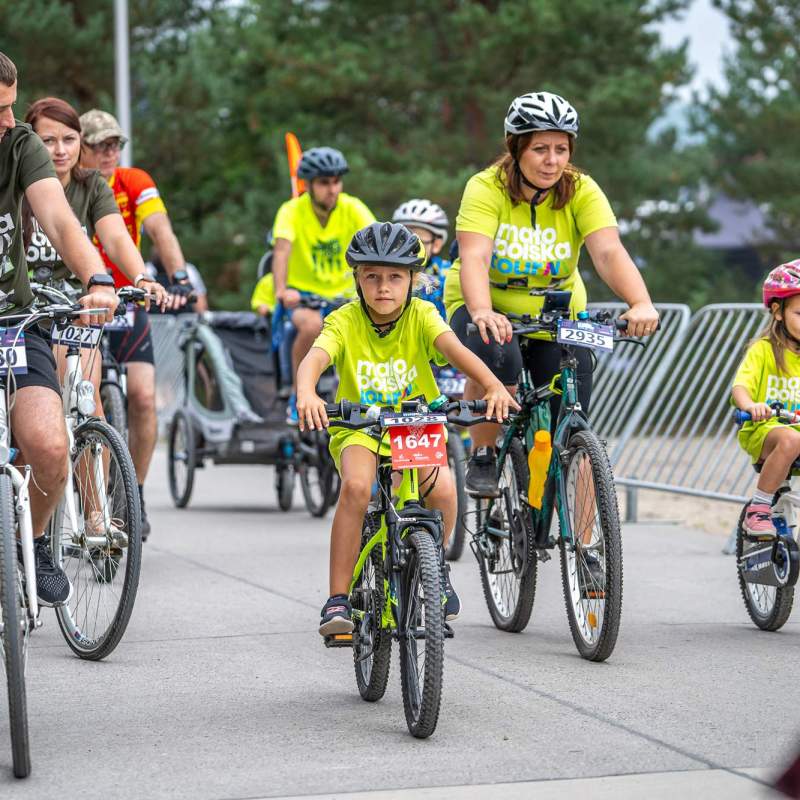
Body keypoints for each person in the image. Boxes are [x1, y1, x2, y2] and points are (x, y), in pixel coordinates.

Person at [295, 222, 519, 636]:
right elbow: (316, 357)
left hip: (414, 423)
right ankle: (337, 600)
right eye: (372, 277)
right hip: (361, 425)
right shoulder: (344, 319)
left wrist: (491, 385)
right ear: (357, 279)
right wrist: (307, 392)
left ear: (414, 280)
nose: (384, 287)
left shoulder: (423, 314)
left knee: (445, 491)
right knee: (359, 488)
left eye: (395, 277)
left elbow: (456, 351)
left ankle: (434, 573)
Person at [444, 91, 660, 497]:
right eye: (540, 149)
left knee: (575, 421)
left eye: (561, 149)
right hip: (486, 303)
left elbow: (609, 252)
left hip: (557, 312)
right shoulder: (486, 187)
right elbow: (474, 256)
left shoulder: (581, 189)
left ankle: (588, 551)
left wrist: (640, 302)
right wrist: (482, 310)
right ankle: (485, 452)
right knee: (497, 355)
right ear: (516, 148)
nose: (552, 160)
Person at [0, 51, 117, 605]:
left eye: (12, 107)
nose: (9, 120)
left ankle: (38, 544)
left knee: (50, 446)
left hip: (14, 322)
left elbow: (57, 216)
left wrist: (97, 275)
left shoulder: (19, 146)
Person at [79, 108, 188, 539]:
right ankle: (88, 503)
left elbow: (160, 229)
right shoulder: (68, 186)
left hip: (126, 298)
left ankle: (134, 492)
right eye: (98, 144)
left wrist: (177, 275)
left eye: (114, 145)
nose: (108, 153)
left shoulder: (133, 181)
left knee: (143, 396)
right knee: (88, 402)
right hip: (81, 303)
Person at [23, 97, 170, 411]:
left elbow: (116, 237)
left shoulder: (91, 185)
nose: (60, 150)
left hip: (71, 306)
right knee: (32, 416)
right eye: (48, 141)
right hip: (21, 309)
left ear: (80, 143)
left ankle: (95, 451)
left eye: (69, 139)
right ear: (30, 142)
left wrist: (142, 277)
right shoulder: (15, 181)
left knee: (84, 403)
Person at [271, 146, 375, 424]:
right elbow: (281, 250)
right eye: (324, 183)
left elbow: (377, 241)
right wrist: (282, 291)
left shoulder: (352, 207)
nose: (333, 189)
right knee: (310, 326)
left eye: (336, 181)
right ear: (308, 184)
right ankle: (299, 396)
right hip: (304, 296)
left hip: (345, 296)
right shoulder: (292, 210)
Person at [732, 262, 800, 537]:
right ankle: (758, 509)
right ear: (777, 311)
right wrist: (751, 406)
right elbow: (741, 387)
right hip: (763, 430)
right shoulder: (764, 350)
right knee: (791, 440)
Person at [392, 198, 451, 320]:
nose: (408, 246)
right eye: (402, 239)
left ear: (436, 244)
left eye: (418, 241)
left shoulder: (450, 274)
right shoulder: (386, 270)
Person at [145, 240, 209, 313]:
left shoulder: (189, 271)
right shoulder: (147, 270)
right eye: (158, 246)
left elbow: (200, 302)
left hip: (184, 319)